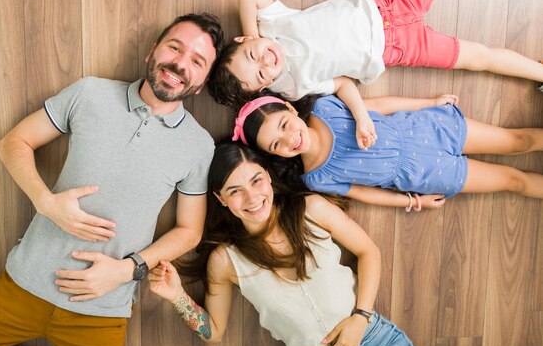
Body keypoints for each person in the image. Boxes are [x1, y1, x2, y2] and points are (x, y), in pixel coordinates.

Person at [0, 13, 224, 346]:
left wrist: (127, 270)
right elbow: (13, 143)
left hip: (100, 308)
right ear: (152, 51)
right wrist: (45, 202)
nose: (180, 63)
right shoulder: (90, 92)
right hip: (23, 286)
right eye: (175, 47)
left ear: (202, 82)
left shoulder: (198, 146)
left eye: (197, 61)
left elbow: (189, 231)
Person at [149, 142, 426, 346]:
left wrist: (361, 317)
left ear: (268, 177)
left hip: (376, 342)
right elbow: (215, 333)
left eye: (256, 180)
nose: (252, 197)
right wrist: (177, 296)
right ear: (220, 199)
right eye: (235, 191)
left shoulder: (311, 209)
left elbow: (369, 251)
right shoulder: (224, 261)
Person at [208, 0, 543, 108]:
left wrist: (254, 33)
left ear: (245, 39)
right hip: (398, 49)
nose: (267, 63)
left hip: (389, 5)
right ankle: (538, 73)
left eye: (253, 54)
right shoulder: (291, 87)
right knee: (478, 58)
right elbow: (340, 83)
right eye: (262, 76)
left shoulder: (271, 25)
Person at [231, 94, 543, 210]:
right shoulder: (316, 178)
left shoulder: (324, 108)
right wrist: (410, 200)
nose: (290, 141)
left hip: (427, 128)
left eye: (285, 125)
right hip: (424, 175)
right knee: (511, 181)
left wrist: (427, 102)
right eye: (276, 145)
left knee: (517, 141)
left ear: (290, 108)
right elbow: (364, 193)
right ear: (275, 155)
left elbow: (380, 105)